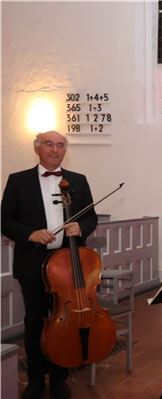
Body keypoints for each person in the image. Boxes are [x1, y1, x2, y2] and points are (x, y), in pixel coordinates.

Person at [1, 131, 98, 399]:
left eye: (60, 145)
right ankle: (34, 378)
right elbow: (5, 219)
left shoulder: (78, 180)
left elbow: (91, 216)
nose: (55, 150)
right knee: (35, 321)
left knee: (63, 324)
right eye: (49, 144)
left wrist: (81, 226)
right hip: (33, 263)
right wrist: (29, 234)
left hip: (67, 265)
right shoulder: (18, 180)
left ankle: (59, 377)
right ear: (37, 148)